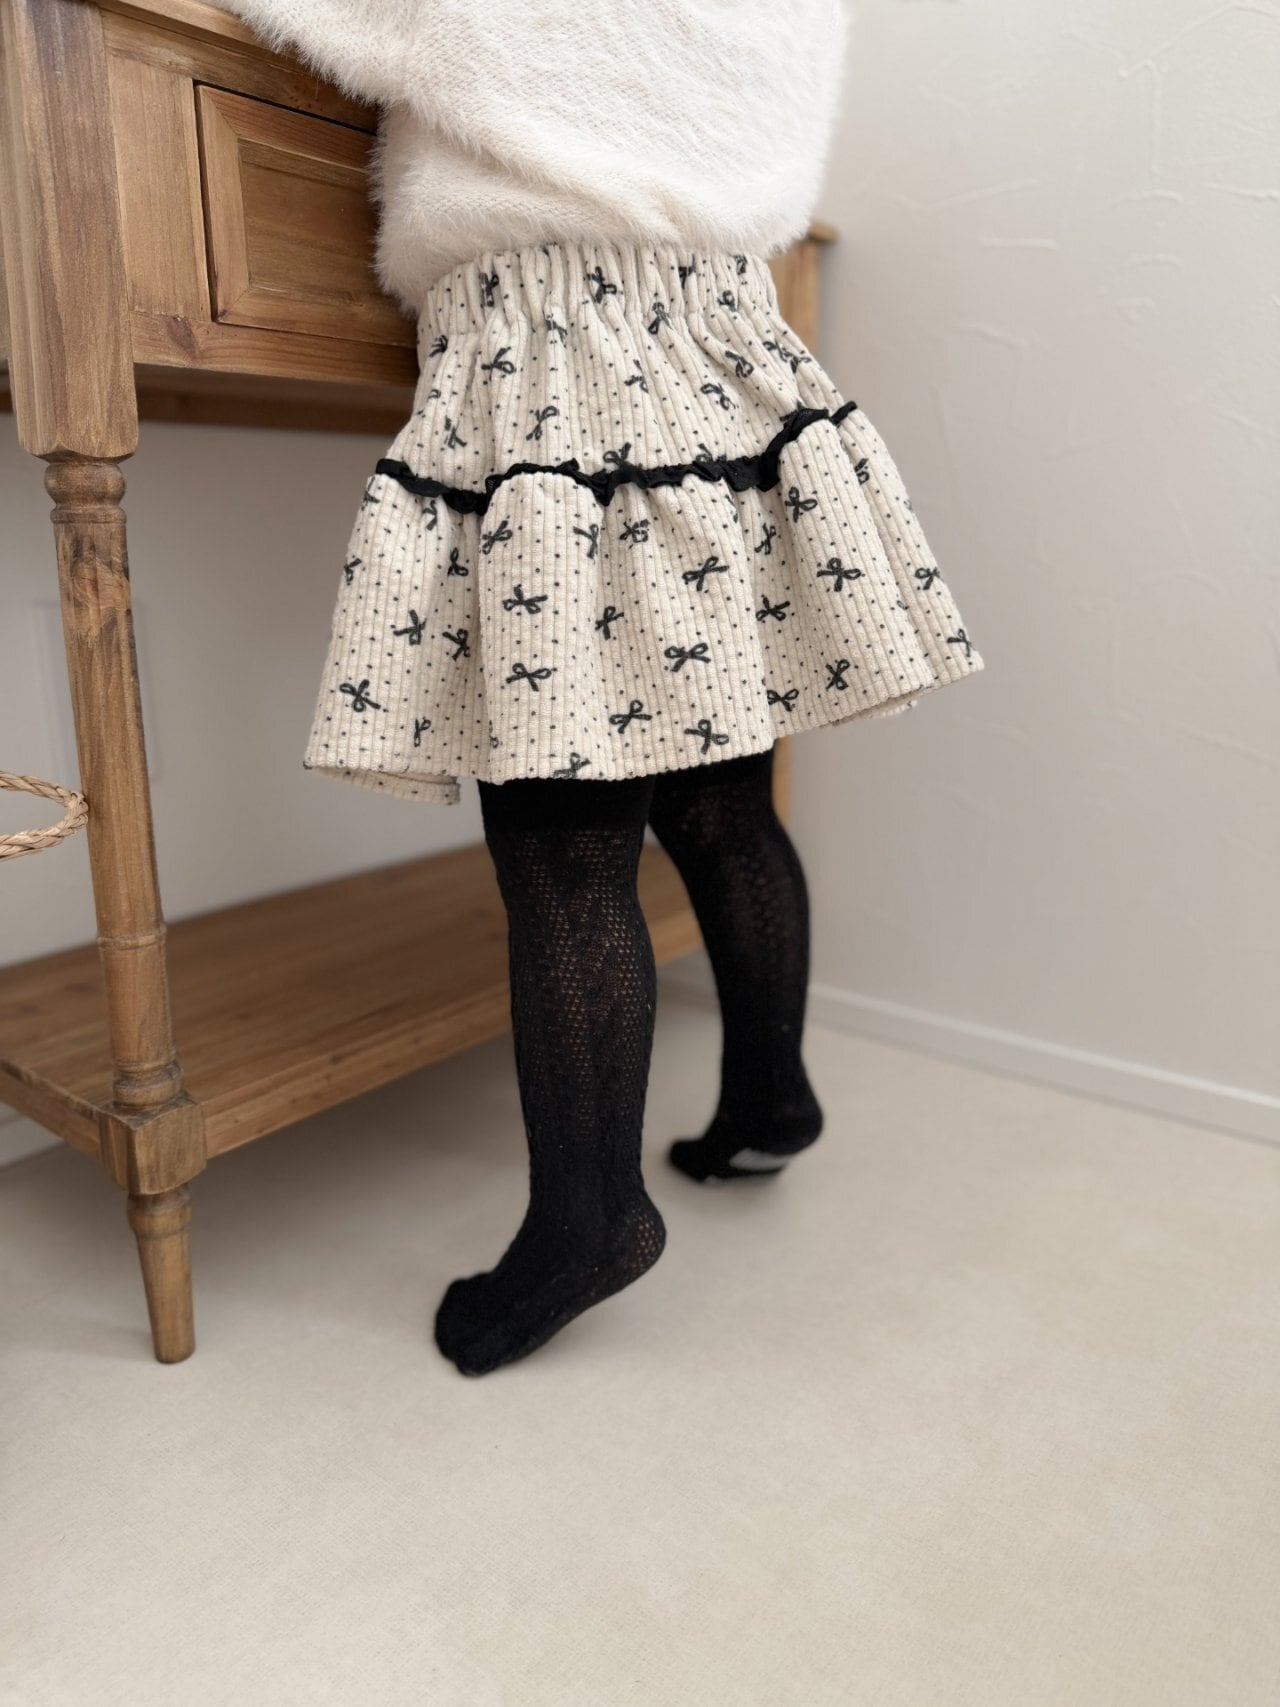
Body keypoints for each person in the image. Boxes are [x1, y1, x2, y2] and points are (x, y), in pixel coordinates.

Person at [219, 0, 986, 1375]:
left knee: (564, 845)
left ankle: (591, 1221)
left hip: (549, 350)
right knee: (720, 798)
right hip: (721, 337)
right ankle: (770, 1100)